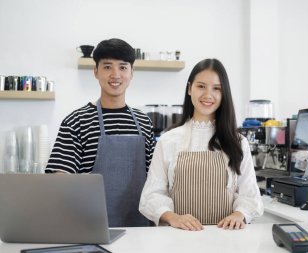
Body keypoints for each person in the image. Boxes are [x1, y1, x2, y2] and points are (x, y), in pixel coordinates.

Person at [139, 58, 263, 231]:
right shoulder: (168, 140)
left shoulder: (238, 142)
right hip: (178, 239)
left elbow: (250, 195)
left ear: (224, 93)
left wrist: (239, 214)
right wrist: (173, 217)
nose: (208, 95)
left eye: (216, 88)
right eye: (201, 86)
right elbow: (151, 195)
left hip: (226, 238)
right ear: (190, 89)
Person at [45, 38, 155, 227]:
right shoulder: (76, 121)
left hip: (140, 230)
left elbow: (155, 178)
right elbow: (60, 178)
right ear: (95, 72)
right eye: (107, 67)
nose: (115, 74)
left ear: (132, 72)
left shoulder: (144, 122)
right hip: (88, 227)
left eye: (123, 67)